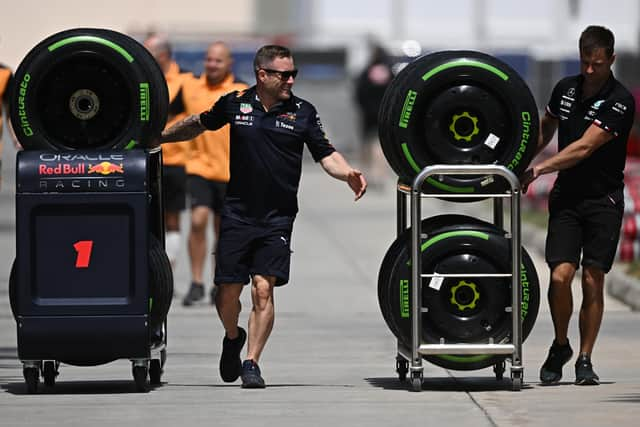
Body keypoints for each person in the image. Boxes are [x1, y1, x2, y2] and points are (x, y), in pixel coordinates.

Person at [160, 45, 366, 388]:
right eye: (284, 74)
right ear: (262, 75)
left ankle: (252, 362)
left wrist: (347, 174)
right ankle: (232, 336)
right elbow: (198, 124)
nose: (290, 80)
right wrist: (160, 137)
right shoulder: (236, 103)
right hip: (238, 212)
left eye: (293, 74)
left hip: (278, 216)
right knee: (226, 292)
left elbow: (326, 153)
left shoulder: (302, 112)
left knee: (262, 289)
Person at [521, 25, 635, 386]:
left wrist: (539, 169)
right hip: (567, 198)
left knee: (592, 278)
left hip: (603, 200)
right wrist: (520, 161)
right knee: (559, 276)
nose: (590, 70)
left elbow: (585, 146)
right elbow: (546, 127)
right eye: (585, 62)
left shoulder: (620, 100)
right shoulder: (565, 89)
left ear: (611, 60)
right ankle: (560, 344)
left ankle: (585, 357)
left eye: (597, 64)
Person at [178, 42, 248, 306]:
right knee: (198, 220)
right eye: (208, 59)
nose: (211, 64)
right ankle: (196, 282)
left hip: (231, 172)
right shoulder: (190, 87)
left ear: (229, 64)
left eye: (218, 61)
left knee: (224, 232)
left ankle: (219, 283)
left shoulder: (240, 92)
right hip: (199, 167)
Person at [143, 34, 194, 271]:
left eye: (149, 52)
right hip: (144, 157)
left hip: (174, 159)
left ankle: (168, 268)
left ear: (163, 55)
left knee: (171, 217)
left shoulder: (185, 80)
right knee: (145, 216)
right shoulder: (141, 78)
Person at [354, 43, 393, 189]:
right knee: (380, 146)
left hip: (367, 114)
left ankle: (364, 175)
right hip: (384, 114)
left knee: (366, 145)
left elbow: (359, 93)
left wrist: (364, 108)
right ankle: (380, 176)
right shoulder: (389, 72)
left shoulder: (367, 71)